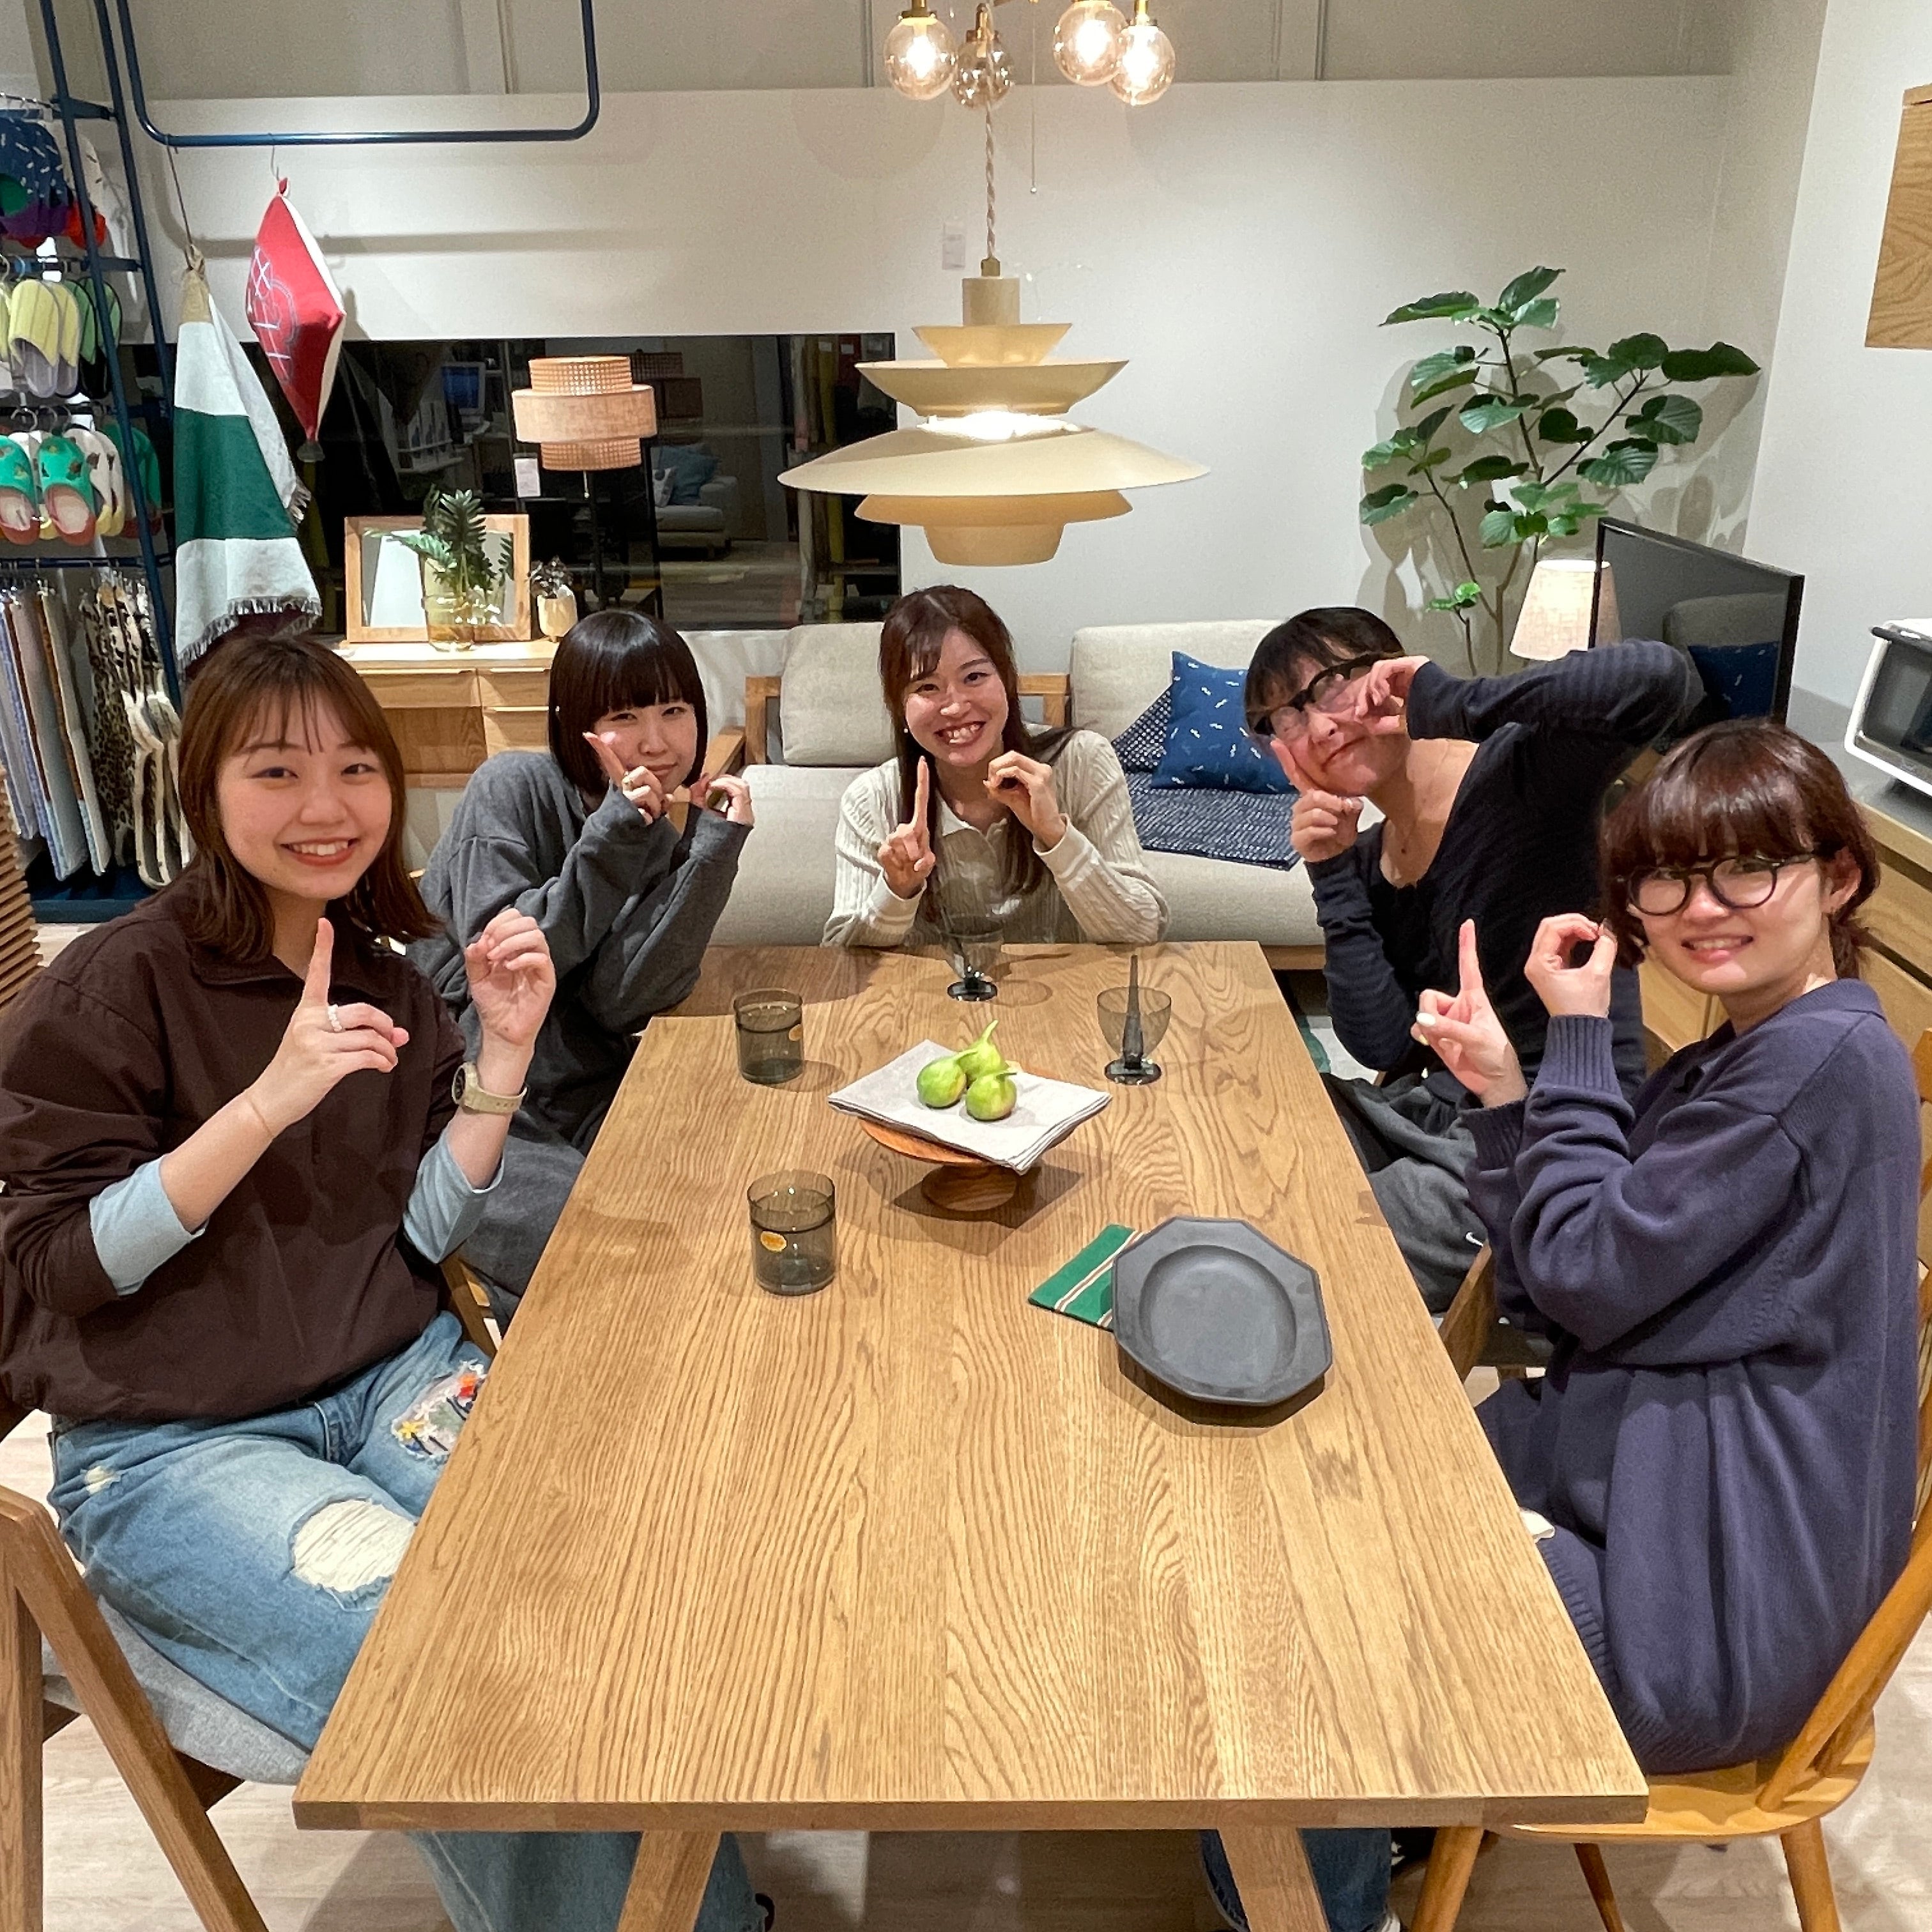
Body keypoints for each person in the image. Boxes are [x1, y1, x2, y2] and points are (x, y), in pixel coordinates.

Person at [0, 633, 761, 1932]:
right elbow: (61, 1263)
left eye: (356, 768)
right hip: (178, 1446)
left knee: (612, 1562)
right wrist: (264, 1102)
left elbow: (418, 1229)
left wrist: (502, 1062)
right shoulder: (118, 984)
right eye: (277, 770)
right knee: (448, 1654)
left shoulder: (387, 976)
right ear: (204, 788)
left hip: (393, 1380)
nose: (326, 804)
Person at [1420, 719, 1919, 1772]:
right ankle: (1398, 1810)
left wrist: (1575, 1039)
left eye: (1747, 868)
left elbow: (1581, 1274)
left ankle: (1346, 1843)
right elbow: (1549, 1294)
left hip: (1697, 1627)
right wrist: (1508, 1096)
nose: (1700, 907)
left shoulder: (1810, 1064)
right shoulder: (1737, 1057)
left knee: (1331, 1580)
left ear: (1837, 877)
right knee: (1355, 1475)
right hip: (1652, 1518)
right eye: (1666, 877)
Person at [1246, 608, 1696, 1309]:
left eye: (1332, 685)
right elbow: (1381, 1043)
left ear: (1389, 671)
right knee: (1260, 1138)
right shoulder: (1371, 857)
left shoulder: (1520, 773)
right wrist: (1332, 872)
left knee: (1316, 1239)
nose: (1320, 727)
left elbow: (1660, 678)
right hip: (1445, 1111)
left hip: (1557, 1132)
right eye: (1286, 717)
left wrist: (1448, 700)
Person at [412, 610, 751, 1312]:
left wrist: (708, 856)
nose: (656, 740)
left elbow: (622, 1000)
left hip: (585, 1087)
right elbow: (507, 966)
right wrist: (615, 835)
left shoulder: (647, 825)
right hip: (469, 1100)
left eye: (674, 710)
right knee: (615, 1268)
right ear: (574, 723)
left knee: (731, 1185)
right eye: (625, 716)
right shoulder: (512, 786)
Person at [825, 585, 1166, 947]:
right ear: (899, 706)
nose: (955, 707)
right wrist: (897, 891)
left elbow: (1143, 931)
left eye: (974, 677)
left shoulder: (1082, 762)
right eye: (927, 687)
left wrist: (1056, 836)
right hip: (933, 987)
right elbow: (841, 958)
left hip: (1068, 984)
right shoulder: (872, 801)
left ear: (1007, 680)